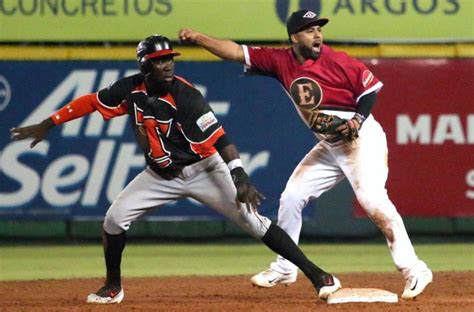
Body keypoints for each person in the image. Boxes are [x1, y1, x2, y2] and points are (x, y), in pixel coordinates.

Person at [10, 34, 341, 304]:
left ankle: (318, 276)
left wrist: (239, 175)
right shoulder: (131, 89)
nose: (167, 64)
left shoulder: (186, 96)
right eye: (159, 61)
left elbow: (222, 139)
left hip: (203, 170)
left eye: (169, 58)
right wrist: (49, 122)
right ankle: (113, 287)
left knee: (255, 222)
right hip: (158, 176)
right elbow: (91, 101)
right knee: (113, 220)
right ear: (145, 66)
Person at [179, 9, 433, 300]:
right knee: (292, 196)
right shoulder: (280, 61)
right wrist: (199, 37)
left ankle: (415, 269)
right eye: (310, 30)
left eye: (319, 29)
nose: (317, 35)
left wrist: (357, 120)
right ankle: (285, 267)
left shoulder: (337, 60)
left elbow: (370, 90)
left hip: (362, 139)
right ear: (294, 37)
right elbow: (236, 51)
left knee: (372, 200)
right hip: (330, 144)